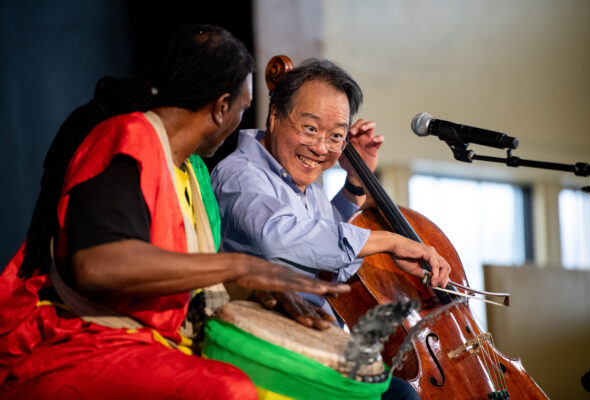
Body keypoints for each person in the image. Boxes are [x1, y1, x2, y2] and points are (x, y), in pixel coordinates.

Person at [0, 25, 349, 400]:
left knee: (297, 384)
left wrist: (256, 289)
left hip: (153, 337)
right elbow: (96, 267)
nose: (241, 124)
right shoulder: (125, 137)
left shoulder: (192, 169)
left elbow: (181, 273)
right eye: (243, 109)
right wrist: (242, 266)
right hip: (85, 339)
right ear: (220, 108)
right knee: (232, 390)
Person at [211, 58, 453, 399]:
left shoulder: (309, 189)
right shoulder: (240, 172)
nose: (322, 148)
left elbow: (324, 249)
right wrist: (388, 241)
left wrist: (355, 185)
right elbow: (277, 235)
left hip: (316, 343)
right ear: (275, 115)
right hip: (269, 350)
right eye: (310, 129)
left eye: (336, 136)